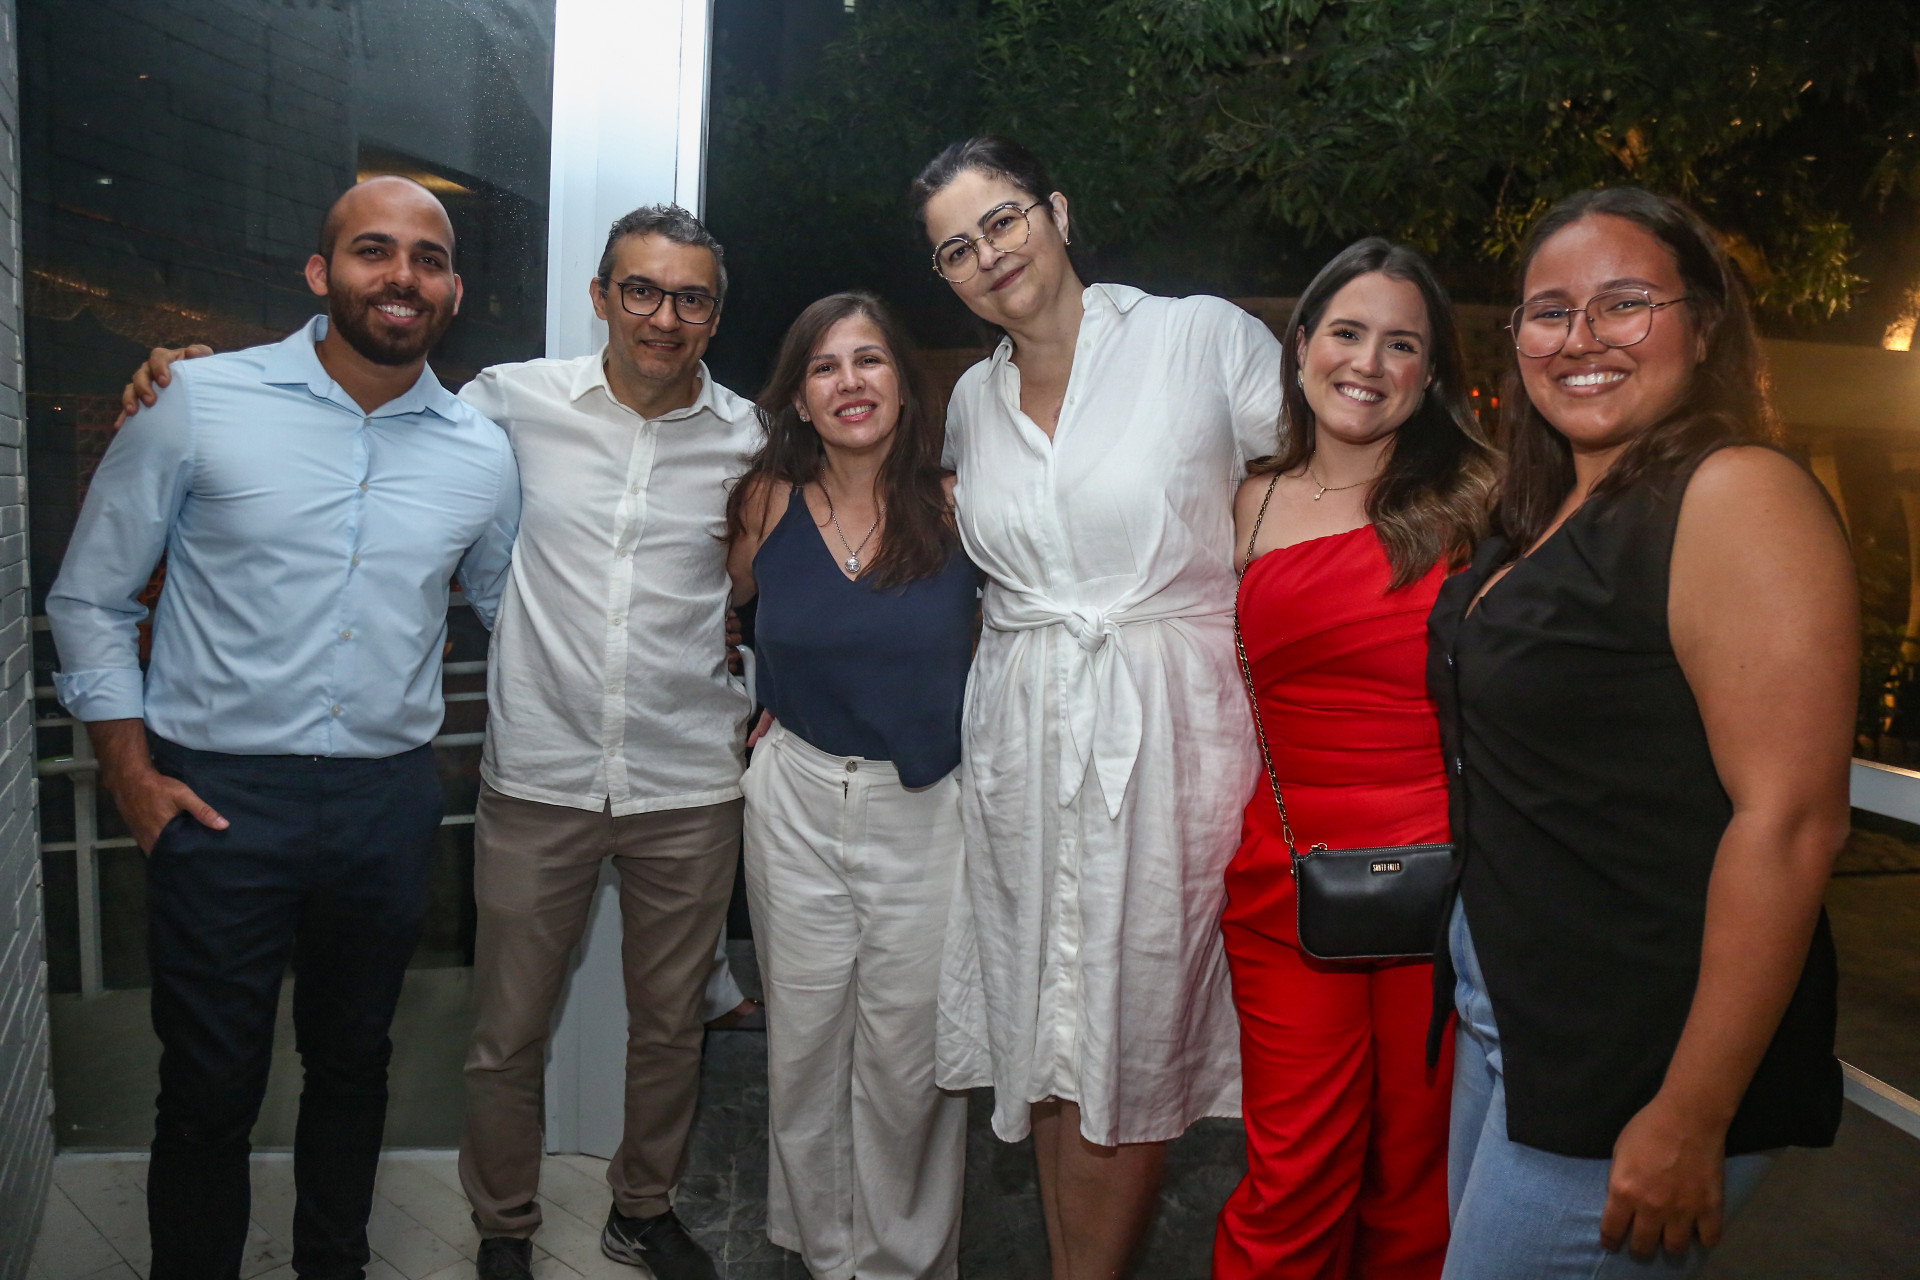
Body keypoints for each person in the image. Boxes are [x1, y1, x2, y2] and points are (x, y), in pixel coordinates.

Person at [118, 205, 759, 1280]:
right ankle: (504, 1224)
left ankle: (640, 1206)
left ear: (715, 315)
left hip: (689, 776)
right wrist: (174, 377)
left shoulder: (753, 436)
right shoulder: (504, 405)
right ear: (600, 296)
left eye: (691, 296)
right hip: (540, 774)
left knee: (669, 1028)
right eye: (640, 288)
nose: (664, 314)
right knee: (505, 1034)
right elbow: (364, 391)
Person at [46, 176, 520, 1280]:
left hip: (387, 802)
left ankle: (332, 1263)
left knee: (355, 1065)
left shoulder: (480, 452)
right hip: (218, 797)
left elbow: (511, 612)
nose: (401, 276)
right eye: (373, 250)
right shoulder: (197, 401)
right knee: (210, 1081)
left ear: (452, 291)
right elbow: (89, 595)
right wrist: (129, 774)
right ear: (321, 273)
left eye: (428, 258)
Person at [1428, 186, 1852, 1279]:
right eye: (1549, 310)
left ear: (1704, 325)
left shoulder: (1736, 492)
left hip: (1640, 1061)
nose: (1582, 338)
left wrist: (1691, 1111)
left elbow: (1792, 821)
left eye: (1625, 303)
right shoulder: (1545, 513)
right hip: (1518, 1025)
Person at [910, 136, 1282, 1279]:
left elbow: (1322, 480)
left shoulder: (1198, 336)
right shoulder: (970, 401)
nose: (989, 256)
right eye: (957, 250)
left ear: (1058, 209)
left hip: (1168, 731)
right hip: (1023, 742)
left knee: (1130, 1026)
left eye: (1005, 220)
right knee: (1052, 1028)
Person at [1216, 239, 1495, 1279]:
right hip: (1287, 877)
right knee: (1293, 1169)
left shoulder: (1484, 503)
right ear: (1300, 347)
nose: (1368, 362)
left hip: (1457, 884)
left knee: (1423, 1176)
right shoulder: (1238, 500)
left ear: (1430, 373)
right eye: (1346, 331)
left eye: (1402, 342)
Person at [724, 291, 981, 1280]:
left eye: (869, 360)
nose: (849, 383)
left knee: (907, 1063)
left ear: (905, 385)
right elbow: (718, 617)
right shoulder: (765, 504)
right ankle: (824, 1251)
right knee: (803, 1047)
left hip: (924, 807)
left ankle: (901, 1260)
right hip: (793, 796)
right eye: (825, 367)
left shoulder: (957, 507)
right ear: (798, 394)